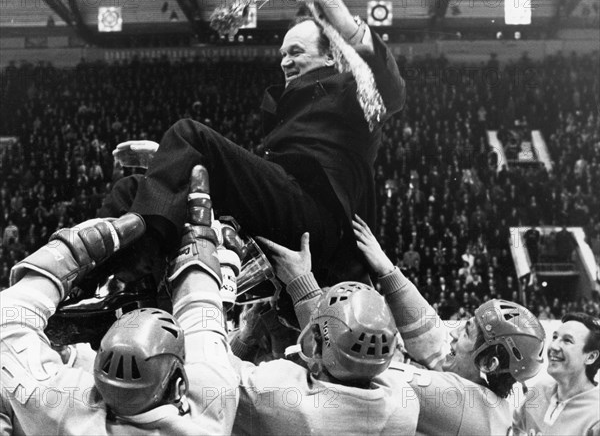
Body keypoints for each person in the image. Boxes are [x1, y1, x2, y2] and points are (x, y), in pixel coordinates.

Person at [102, 0, 405, 289]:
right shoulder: (290, 110)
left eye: (296, 52)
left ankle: (142, 259)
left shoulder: (352, 91)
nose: (285, 61)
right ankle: (95, 280)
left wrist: (341, 16)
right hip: (286, 208)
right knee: (132, 188)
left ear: (330, 57)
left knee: (189, 134)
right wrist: (165, 159)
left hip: (318, 218)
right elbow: (252, 180)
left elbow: (391, 89)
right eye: (283, 54)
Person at [0, 166, 239, 435]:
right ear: (179, 383)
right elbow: (201, 319)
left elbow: (6, 322)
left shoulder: (65, 412)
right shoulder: (210, 411)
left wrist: (73, 251)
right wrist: (202, 245)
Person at [257, 215, 547, 435]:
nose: (454, 332)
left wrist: (302, 286)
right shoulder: (487, 400)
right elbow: (433, 340)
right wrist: (388, 271)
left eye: (467, 331)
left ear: (490, 362)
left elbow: (352, 365)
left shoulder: (461, 404)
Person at [227, 238, 419, 435]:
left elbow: (214, 370)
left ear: (315, 346)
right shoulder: (405, 406)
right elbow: (341, 352)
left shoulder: (276, 391)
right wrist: (301, 281)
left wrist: (244, 336)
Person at [512, 312, 600, 435]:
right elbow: (515, 428)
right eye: (554, 337)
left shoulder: (596, 418)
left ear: (591, 357)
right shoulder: (538, 390)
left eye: (567, 340)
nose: (554, 346)